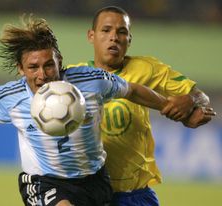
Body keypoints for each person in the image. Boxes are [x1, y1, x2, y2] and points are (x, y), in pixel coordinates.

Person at [0, 16, 191, 206]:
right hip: (44, 182)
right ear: (21, 69)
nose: (42, 74)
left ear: (59, 61)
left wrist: (165, 105)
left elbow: (132, 89)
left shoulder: (90, 81)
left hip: (94, 179)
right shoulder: (13, 96)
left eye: (49, 65)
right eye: (33, 67)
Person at [69, 6, 216, 206]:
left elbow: (200, 96)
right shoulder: (72, 76)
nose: (114, 37)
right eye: (106, 30)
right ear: (91, 36)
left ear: (129, 39)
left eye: (122, 32)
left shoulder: (146, 69)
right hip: (88, 192)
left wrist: (191, 101)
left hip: (134, 195)